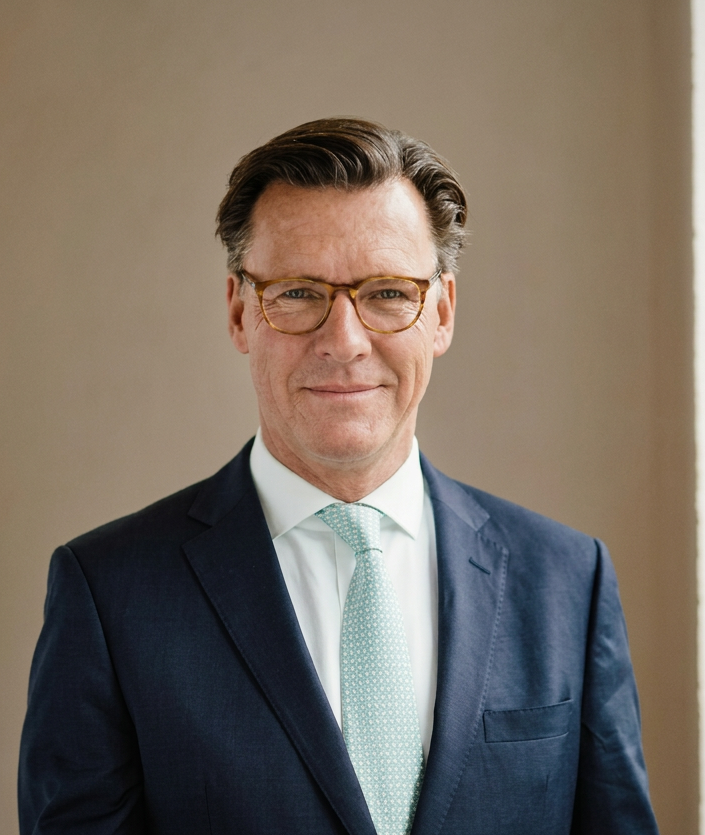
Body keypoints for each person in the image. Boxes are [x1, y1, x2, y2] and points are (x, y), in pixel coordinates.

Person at [18, 118, 659, 835]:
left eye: (388, 292)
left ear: (442, 313)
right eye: (297, 292)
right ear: (239, 312)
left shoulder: (568, 581)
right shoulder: (110, 594)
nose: (344, 341)